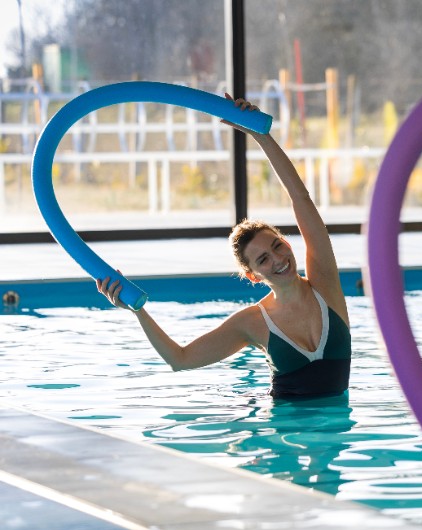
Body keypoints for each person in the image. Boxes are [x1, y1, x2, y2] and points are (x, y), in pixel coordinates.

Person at [97, 96, 351, 399]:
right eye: (264, 259)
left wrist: (261, 135)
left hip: (334, 434)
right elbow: (181, 359)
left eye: (277, 245)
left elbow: (301, 199)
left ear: (286, 242)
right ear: (254, 275)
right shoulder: (252, 322)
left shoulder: (325, 284)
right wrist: (137, 311)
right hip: (284, 435)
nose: (279, 259)